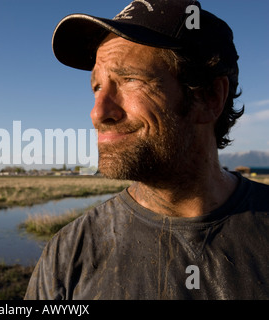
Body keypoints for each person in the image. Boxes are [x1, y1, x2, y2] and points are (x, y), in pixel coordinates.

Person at [24, 0, 269, 300]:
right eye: (97, 87)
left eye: (130, 79)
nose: (97, 113)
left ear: (209, 98)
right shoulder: (69, 255)